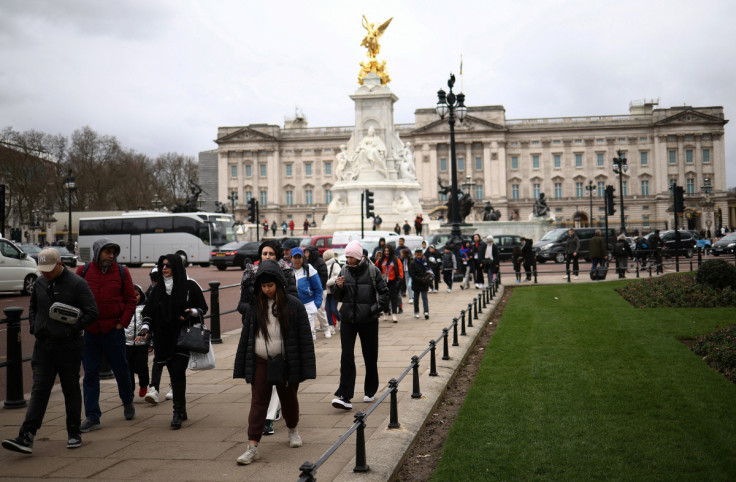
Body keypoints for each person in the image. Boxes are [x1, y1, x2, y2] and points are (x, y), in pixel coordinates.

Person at [2, 249, 98, 454]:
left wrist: (71, 329)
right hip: (43, 345)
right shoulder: (39, 282)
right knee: (39, 390)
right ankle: (26, 435)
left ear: (60, 263)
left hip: (69, 346)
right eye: (42, 269)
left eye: (49, 269)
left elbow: (92, 312)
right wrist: (34, 326)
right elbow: (34, 306)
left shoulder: (77, 284)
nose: (45, 273)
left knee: (70, 389)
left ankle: (74, 432)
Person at [233, 260, 316, 465]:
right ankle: (252, 445)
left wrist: (305, 366)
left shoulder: (293, 305)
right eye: (263, 286)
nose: (267, 290)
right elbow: (247, 337)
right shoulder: (255, 306)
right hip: (261, 360)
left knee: (289, 400)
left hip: (285, 362)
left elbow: (305, 338)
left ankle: (292, 430)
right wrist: (243, 363)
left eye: (270, 285)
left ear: (278, 284)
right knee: (258, 403)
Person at [238, 240, 298, 437]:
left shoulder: (286, 273)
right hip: (258, 335)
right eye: (264, 254)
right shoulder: (249, 274)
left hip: (280, 337)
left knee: (283, 390)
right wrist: (255, 311)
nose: (268, 257)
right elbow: (242, 304)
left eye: (271, 254)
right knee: (261, 390)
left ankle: (273, 419)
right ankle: (265, 423)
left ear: (277, 255)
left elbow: (293, 301)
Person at [140, 254, 208, 429]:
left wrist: (191, 311)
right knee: (174, 373)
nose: (164, 268)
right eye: (162, 265)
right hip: (163, 337)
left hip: (182, 336)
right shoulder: (157, 288)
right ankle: (182, 407)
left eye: (168, 265)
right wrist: (145, 327)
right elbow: (148, 311)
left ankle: (177, 412)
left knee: (177, 371)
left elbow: (203, 307)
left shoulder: (189, 286)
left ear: (176, 267)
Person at [77, 238, 137, 433]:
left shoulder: (122, 272)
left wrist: (122, 323)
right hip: (91, 331)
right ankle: (93, 416)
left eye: (113, 253)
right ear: (97, 253)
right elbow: (74, 299)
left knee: (121, 370)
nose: (111, 256)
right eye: (107, 252)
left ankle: (127, 401)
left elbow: (130, 300)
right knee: (90, 374)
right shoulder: (83, 272)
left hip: (113, 330)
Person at [331, 241, 389, 410]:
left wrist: (374, 310)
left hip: (368, 320)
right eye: (346, 256)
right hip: (348, 320)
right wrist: (338, 287)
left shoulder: (372, 270)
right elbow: (338, 297)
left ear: (358, 257)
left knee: (370, 356)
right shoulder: (344, 270)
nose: (347, 260)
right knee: (346, 356)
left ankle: (370, 390)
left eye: (350, 257)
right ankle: (344, 395)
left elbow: (384, 292)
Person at [291, 248, 323, 340]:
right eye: (295, 257)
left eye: (299, 257)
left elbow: (318, 288)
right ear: (291, 258)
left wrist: (316, 305)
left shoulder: (309, 269)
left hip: (308, 305)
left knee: (307, 333)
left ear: (302, 258)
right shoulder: (288, 270)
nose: (297, 260)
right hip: (294, 306)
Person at [126, 285, 150, 400]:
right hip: (127, 343)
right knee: (128, 369)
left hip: (142, 343)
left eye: (137, 295)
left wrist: (150, 342)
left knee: (142, 366)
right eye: (132, 295)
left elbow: (150, 324)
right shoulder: (124, 307)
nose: (135, 298)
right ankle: (129, 392)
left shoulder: (145, 307)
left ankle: (144, 384)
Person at [304, 246, 330, 336]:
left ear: (312, 253)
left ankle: (327, 328)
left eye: (308, 252)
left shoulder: (320, 262)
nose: (306, 254)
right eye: (305, 252)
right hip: (309, 291)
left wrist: (318, 287)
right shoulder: (305, 263)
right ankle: (312, 332)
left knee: (320, 310)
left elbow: (324, 277)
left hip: (321, 290)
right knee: (309, 313)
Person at [376, 244, 403, 322]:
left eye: (388, 251)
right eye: (385, 251)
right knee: (385, 298)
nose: (386, 252)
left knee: (393, 298)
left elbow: (400, 270)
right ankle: (386, 312)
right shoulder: (381, 260)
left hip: (393, 281)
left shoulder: (395, 260)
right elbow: (376, 268)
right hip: (384, 282)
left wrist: (400, 279)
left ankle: (394, 314)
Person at [323, 249, 342, 336]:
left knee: (333, 309)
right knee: (327, 309)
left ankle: (341, 320)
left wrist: (327, 282)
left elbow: (337, 276)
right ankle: (331, 326)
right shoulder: (324, 265)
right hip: (327, 291)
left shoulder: (335, 265)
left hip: (333, 290)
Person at [408, 247, 430, 319]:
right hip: (416, 283)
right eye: (417, 255)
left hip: (424, 283)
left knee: (424, 298)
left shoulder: (425, 262)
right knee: (416, 299)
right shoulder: (413, 263)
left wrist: (428, 277)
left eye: (420, 255)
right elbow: (412, 274)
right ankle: (416, 311)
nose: (419, 256)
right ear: (415, 255)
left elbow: (428, 270)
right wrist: (420, 279)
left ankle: (426, 311)